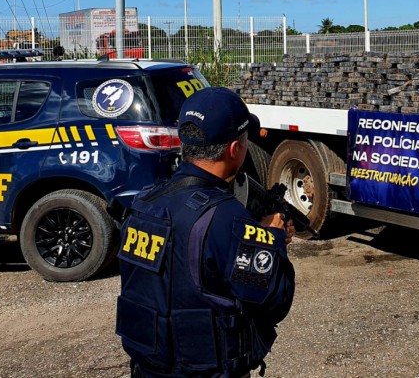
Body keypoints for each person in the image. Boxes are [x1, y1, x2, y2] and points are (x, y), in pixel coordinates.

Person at [116, 87, 295, 378]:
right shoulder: (227, 218)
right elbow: (274, 300)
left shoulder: (145, 203)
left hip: (148, 369)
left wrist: (253, 234)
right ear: (234, 149)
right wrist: (272, 241)